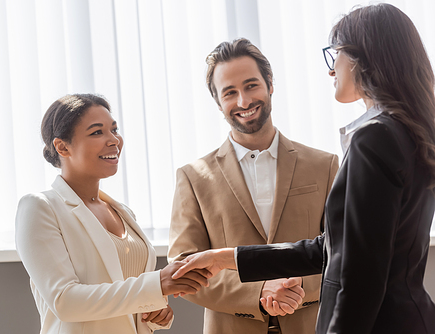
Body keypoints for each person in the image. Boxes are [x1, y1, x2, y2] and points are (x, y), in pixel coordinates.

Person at [172, 3, 435, 334]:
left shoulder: (374, 137)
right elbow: (333, 248)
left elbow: (360, 273)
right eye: (229, 92)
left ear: (364, 57)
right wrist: (229, 258)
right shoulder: (408, 130)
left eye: (335, 53)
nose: (331, 68)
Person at [168, 38, 339, 334]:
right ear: (217, 101)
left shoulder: (324, 165)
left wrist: (295, 284)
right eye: (230, 93)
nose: (244, 102)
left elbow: (344, 251)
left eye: (251, 86)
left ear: (270, 83)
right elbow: (184, 269)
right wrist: (258, 291)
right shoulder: (192, 177)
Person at [15, 94, 210, 334]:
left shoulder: (122, 212)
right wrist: (156, 285)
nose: (114, 140)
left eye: (114, 129)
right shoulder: (40, 207)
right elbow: (65, 301)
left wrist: (154, 312)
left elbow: (130, 297)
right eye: (97, 132)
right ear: (62, 146)